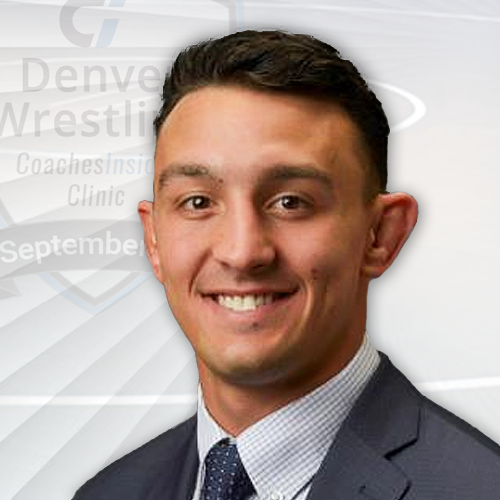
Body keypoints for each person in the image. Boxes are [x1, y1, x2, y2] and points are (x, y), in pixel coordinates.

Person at [73, 30, 500, 500]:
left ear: (380, 234)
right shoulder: (109, 493)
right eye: (198, 202)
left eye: (291, 202)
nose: (242, 252)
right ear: (154, 239)